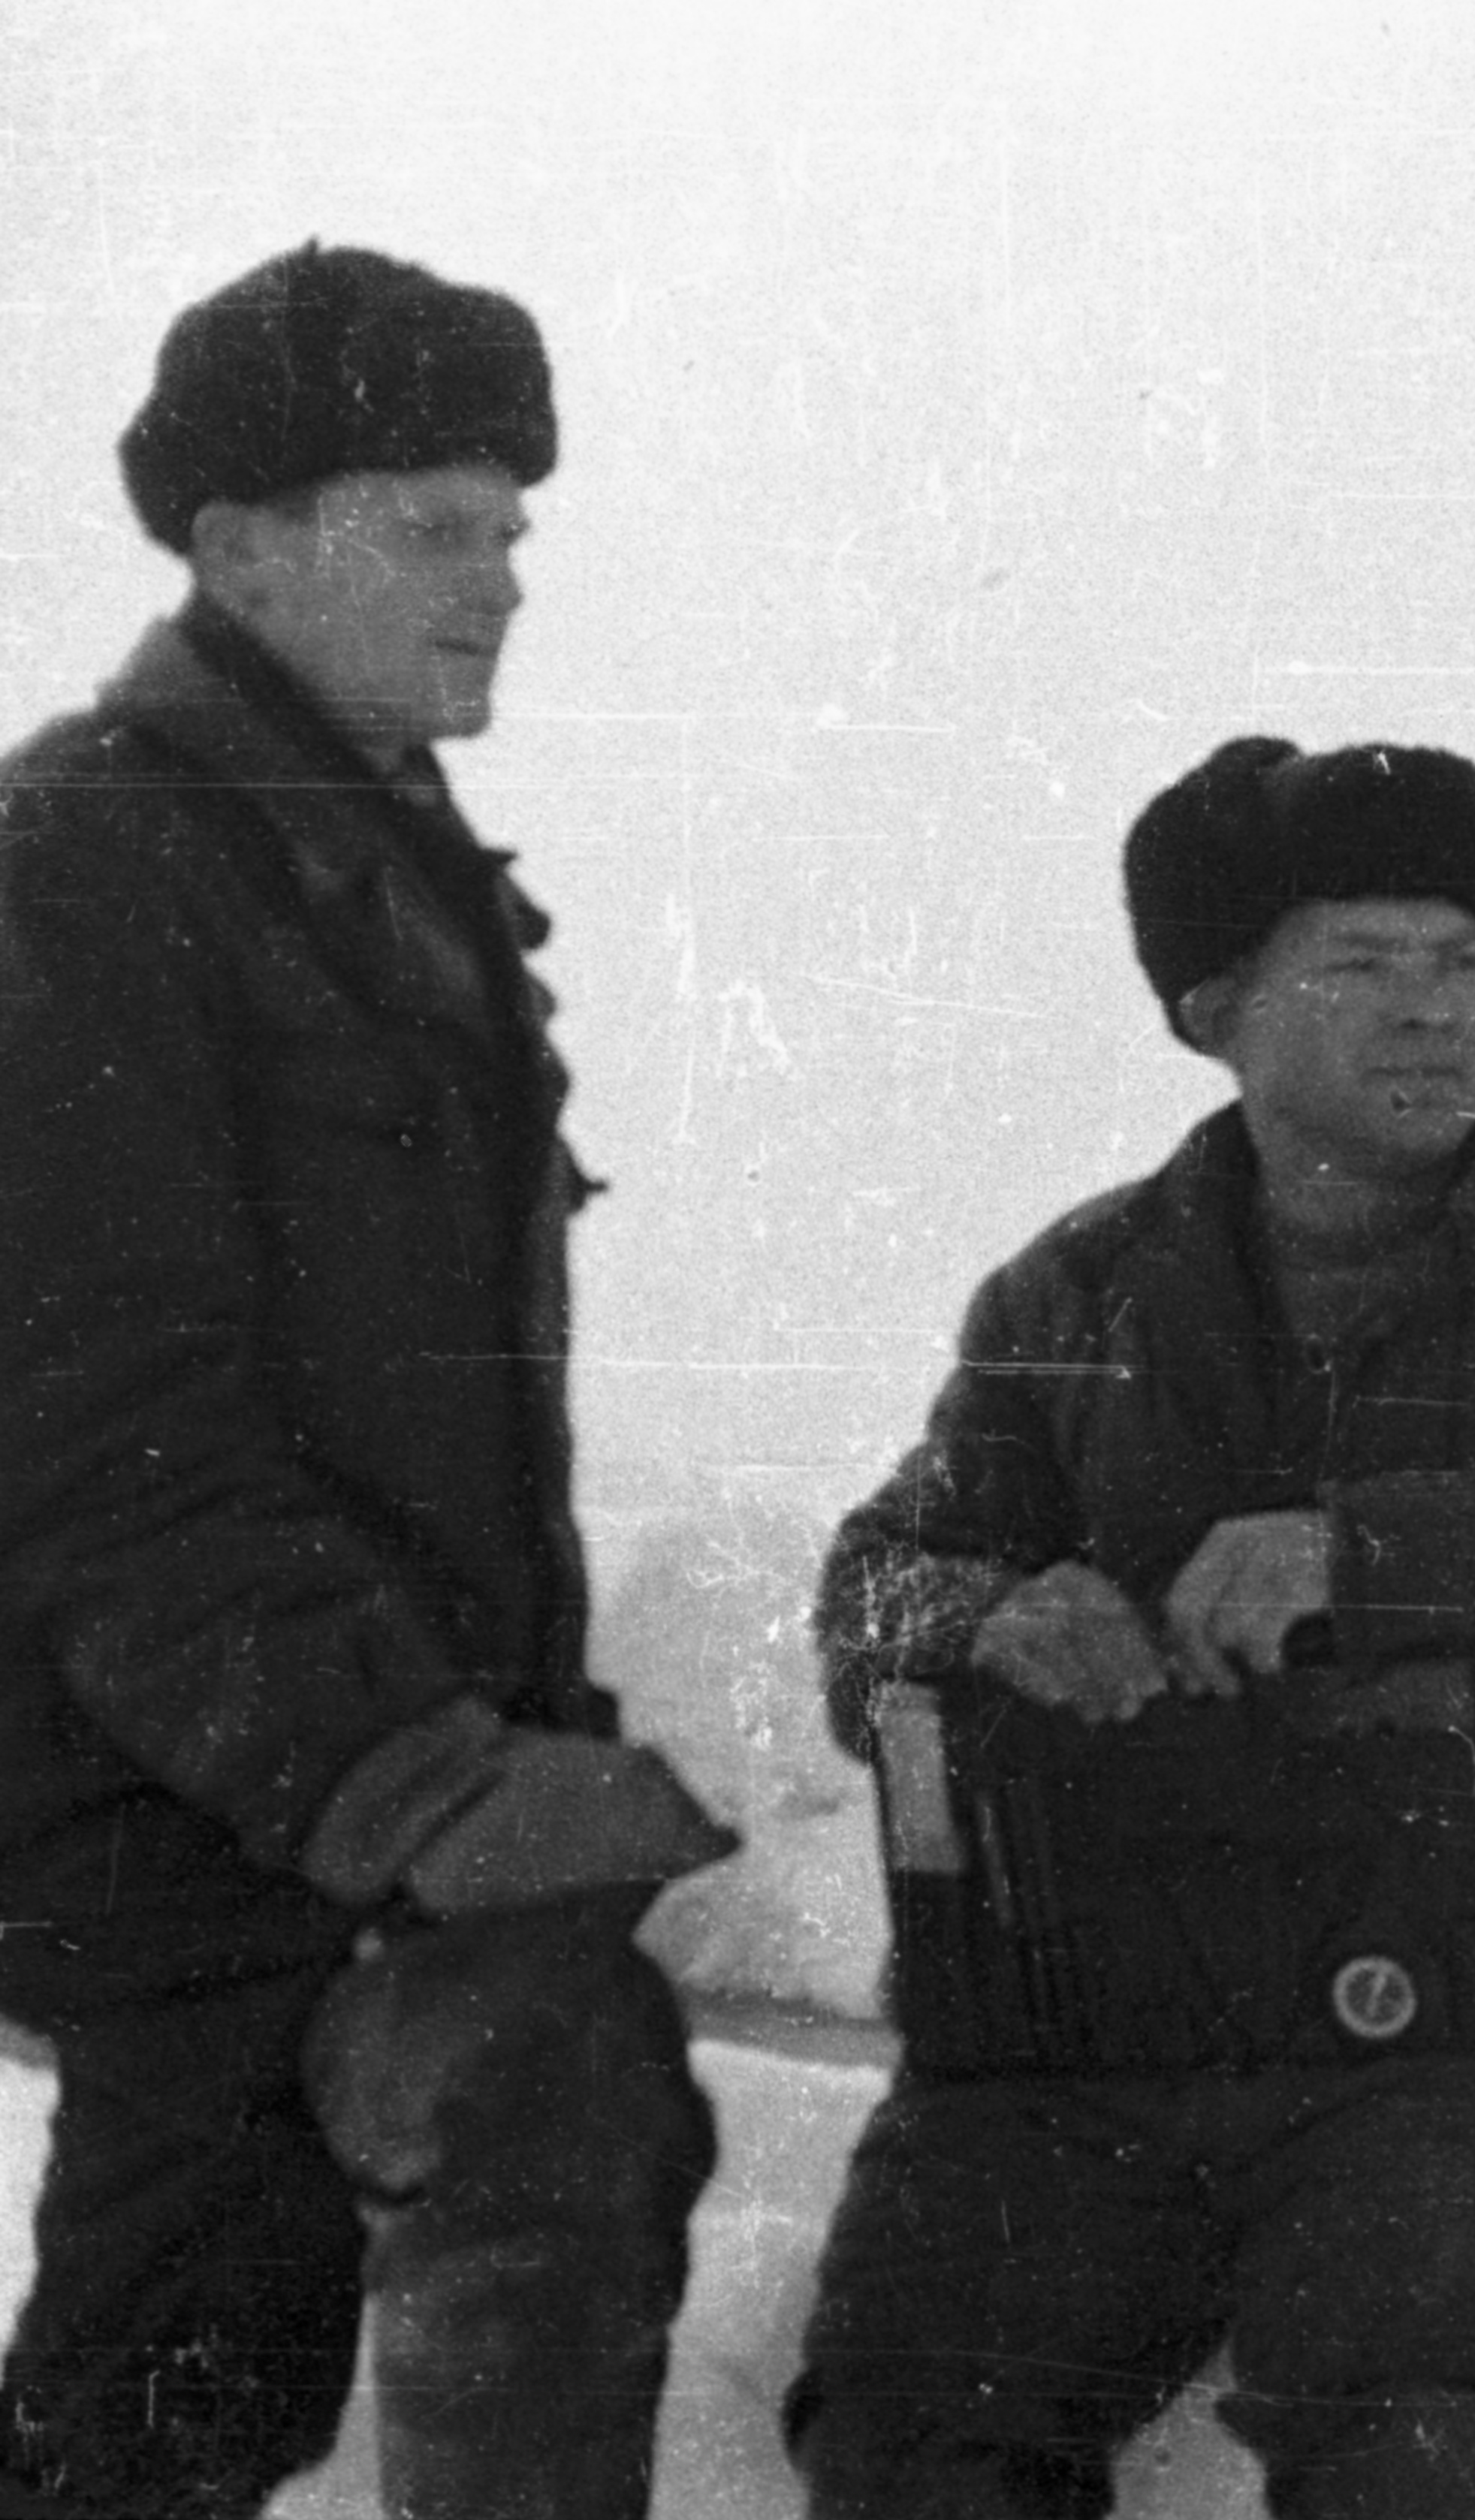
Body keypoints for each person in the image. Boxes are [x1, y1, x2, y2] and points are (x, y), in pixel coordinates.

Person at [789, 734, 1475, 2519]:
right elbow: (878, 1581)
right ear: (1215, 1009)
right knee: (915, 2437)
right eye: (1361, 963)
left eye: (1462, 960)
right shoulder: (1075, 1294)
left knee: (1426, 2453)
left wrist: (1378, 1554)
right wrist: (989, 1615)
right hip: (1097, 2044)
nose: (1433, 1008)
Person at [0, 243, 740, 2518]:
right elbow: (107, 1439)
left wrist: (511, 1750)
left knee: (519, 2131)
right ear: (237, 546)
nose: (499, 579)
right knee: (178, 2385)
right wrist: (421, 1786)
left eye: (510, 528)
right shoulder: (86, 865)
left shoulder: (385, 870)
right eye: (431, 526)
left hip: (310, 1787)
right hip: (170, 1800)